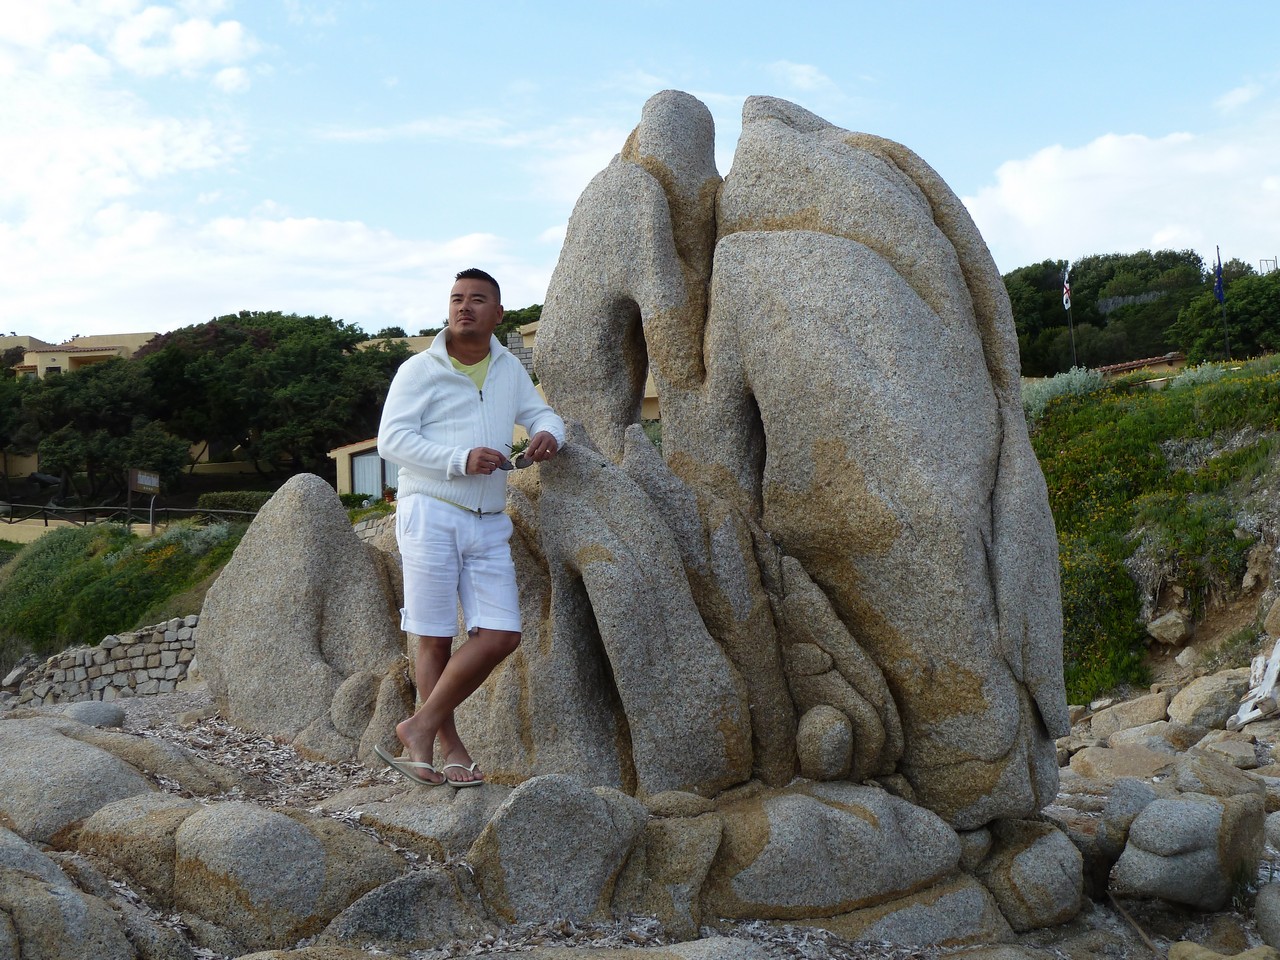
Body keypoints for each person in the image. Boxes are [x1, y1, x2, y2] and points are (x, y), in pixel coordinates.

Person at [375, 268, 564, 787]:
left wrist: (549, 434)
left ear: (497, 313)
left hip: (489, 522)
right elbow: (391, 440)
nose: (464, 306)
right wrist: (459, 459)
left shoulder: (508, 369)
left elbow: (542, 414)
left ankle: (418, 725)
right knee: (434, 638)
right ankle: (445, 747)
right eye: (457, 298)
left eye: (477, 299)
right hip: (431, 511)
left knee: (502, 635)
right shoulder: (420, 369)